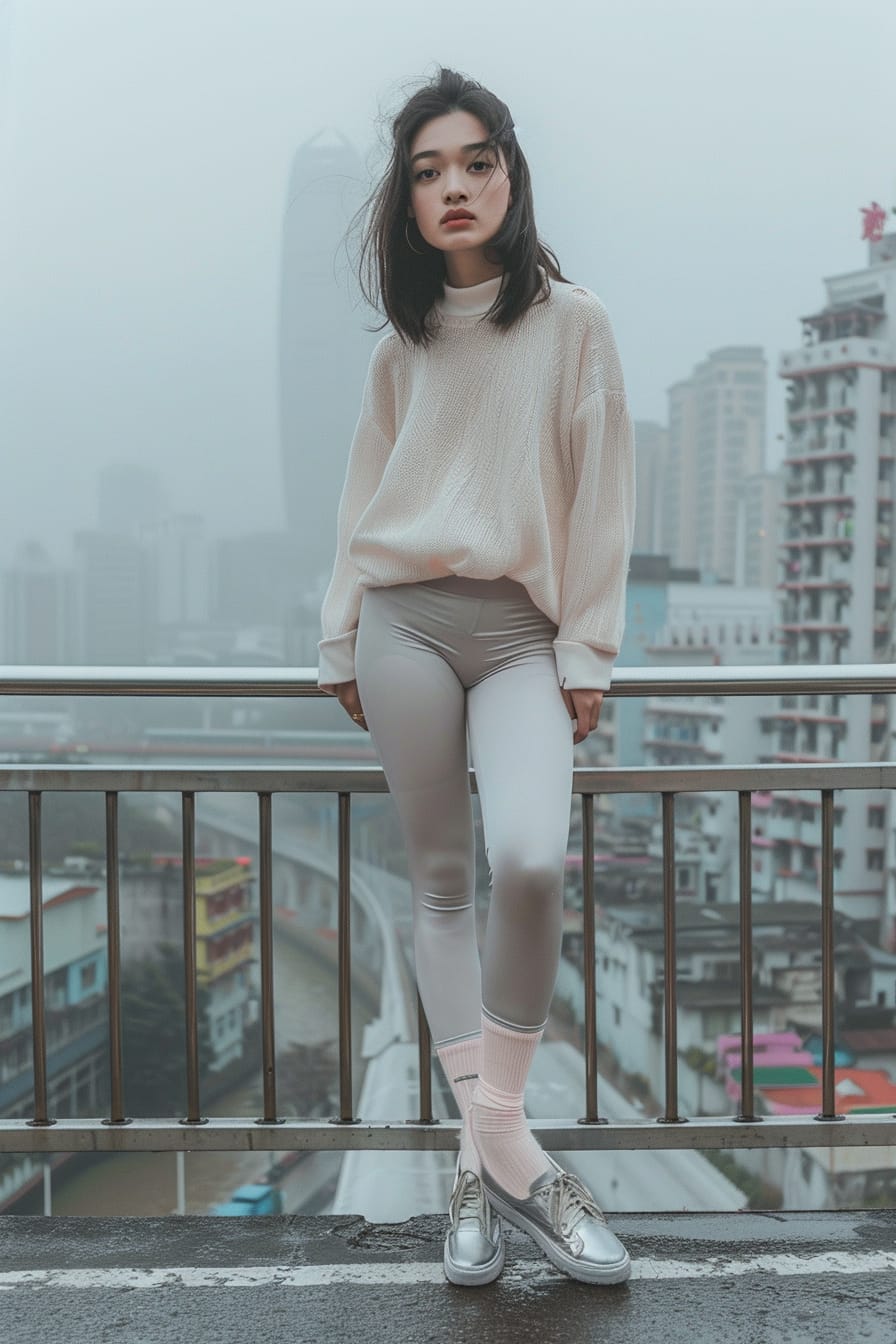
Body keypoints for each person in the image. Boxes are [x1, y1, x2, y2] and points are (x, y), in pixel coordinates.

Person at [317, 65, 636, 1287]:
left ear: (511, 172)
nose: (453, 187)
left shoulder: (575, 324)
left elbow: (601, 498)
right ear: (406, 202)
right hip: (401, 622)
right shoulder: (400, 344)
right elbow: (359, 502)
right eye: (426, 172)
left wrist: (587, 649)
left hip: (518, 632)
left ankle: (487, 1148)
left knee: (530, 863)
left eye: (474, 162)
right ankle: (509, 1170)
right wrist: (341, 636)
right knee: (439, 882)